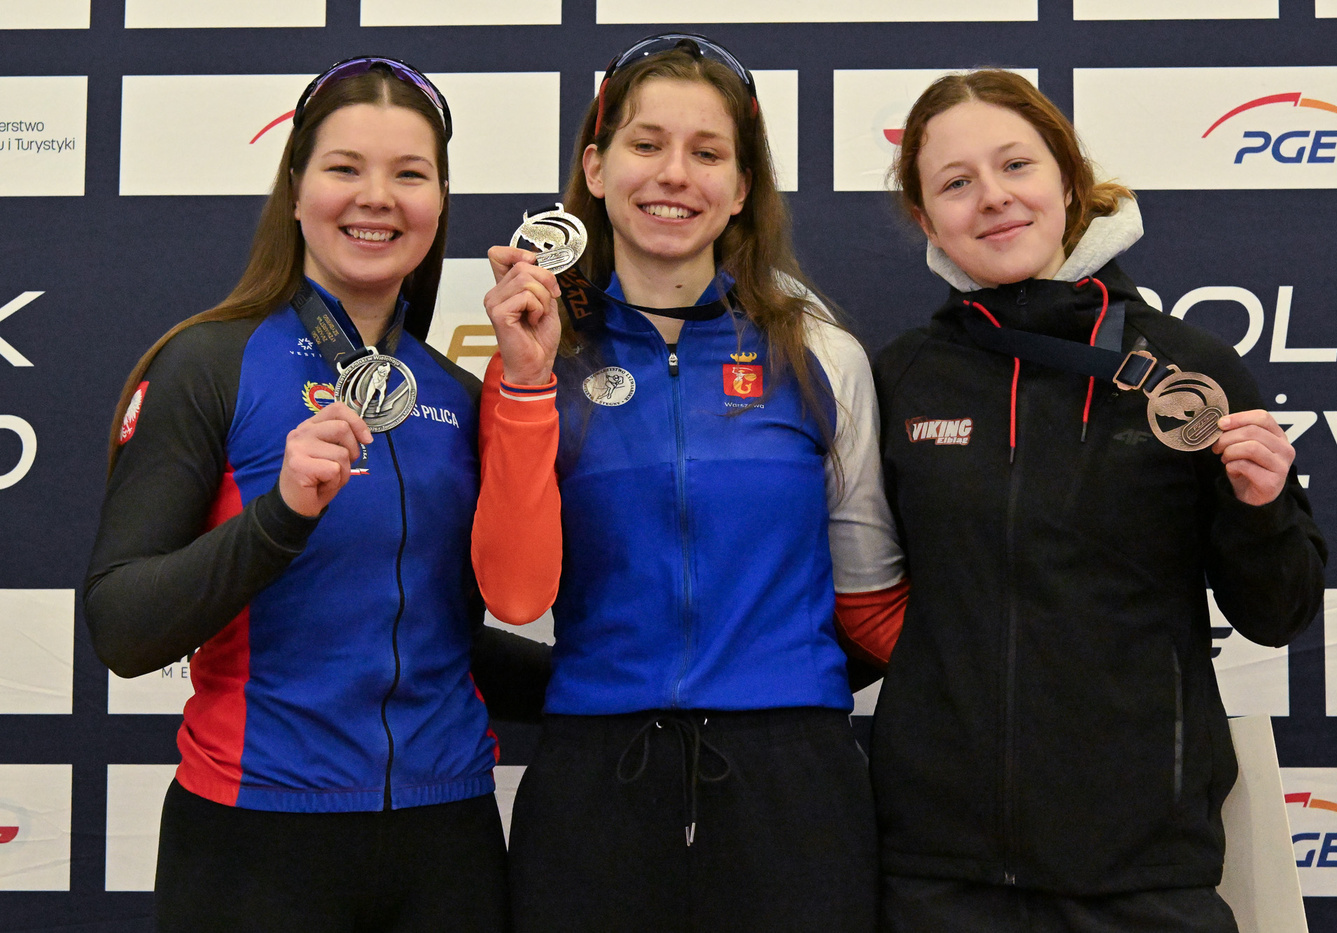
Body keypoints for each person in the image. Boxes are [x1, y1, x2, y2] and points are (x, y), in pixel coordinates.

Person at [85, 57, 544, 932]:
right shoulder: (209, 364)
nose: (377, 197)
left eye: (409, 174)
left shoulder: (456, 393)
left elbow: (439, 638)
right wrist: (283, 511)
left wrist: (626, 687)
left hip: (446, 840)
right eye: (344, 168)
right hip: (255, 841)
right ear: (295, 190)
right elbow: (123, 627)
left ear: (440, 203)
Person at [869, 69, 1327, 932]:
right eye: (957, 183)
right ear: (929, 222)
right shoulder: (900, 378)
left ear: (1069, 179)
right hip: (941, 871)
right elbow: (853, 603)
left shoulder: (1190, 371)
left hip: (1140, 873)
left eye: (1017, 166)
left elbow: (1278, 610)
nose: (994, 198)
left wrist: (1261, 508)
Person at [470, 33, 907, 933]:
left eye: (707, 153)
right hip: (596, 779)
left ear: (741, 188)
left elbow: (869, 601)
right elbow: (514, 595)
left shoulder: (821, 354)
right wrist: (522, 384)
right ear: (595, 167)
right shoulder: (535, 356)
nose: (674, 174)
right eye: (645, 144)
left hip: (795, 781)